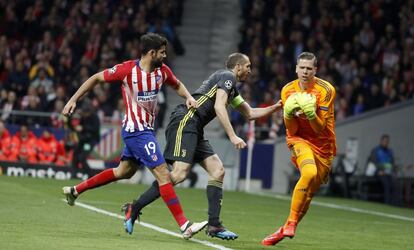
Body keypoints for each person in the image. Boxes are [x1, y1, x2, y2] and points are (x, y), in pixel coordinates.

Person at [61, 33, 207, 239]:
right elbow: (96, 78)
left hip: (143, 130)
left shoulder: (162, 72)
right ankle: (185, 226)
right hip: (136, 131)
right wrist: (72, 100)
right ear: (151, 53)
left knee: (124, 172)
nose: (165, 56)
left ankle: (75, 190)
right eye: (162, 53)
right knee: (164, 174)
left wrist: (190, 97)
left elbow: (177, 85)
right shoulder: (127, 70)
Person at [122, 53, 282, 240]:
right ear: (238, 66)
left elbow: (251, 113)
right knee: (179, 174)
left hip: (195, 127)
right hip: (186, 120)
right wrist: (232, 136)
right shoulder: (227, 76)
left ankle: (214, 225)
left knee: (218, 170)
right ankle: (135, 207)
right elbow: (219, 107)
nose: (250, 70)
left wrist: (276, 107)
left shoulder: (231, 89)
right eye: (248, 66)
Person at [262, 52, 336, 246]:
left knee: (309, 195)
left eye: (309, 68)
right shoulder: (287, 90)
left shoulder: (326, 90)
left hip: (323, 146)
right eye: (302, 67)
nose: (305, 71)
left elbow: (320, 128)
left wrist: (310, 114)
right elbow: (292, 129)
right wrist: (287, 114)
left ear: (315, 70)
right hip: (299, 139)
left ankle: (284, 228)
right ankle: (291, 222)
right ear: (296, 68)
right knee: (309, 172)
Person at [368, 134, 396, 205]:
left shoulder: (390, 151)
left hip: (388, 172)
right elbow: (373, 162)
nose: (386, 142)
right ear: (381, 141)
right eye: (385, 141)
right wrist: (379, 170)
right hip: (378, 172)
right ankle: (387, 203)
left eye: (387, 141)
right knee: (387, 184)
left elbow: (392, 163)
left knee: (394, 184)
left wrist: (392, 170)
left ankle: (394, 203)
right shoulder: (376, 150)